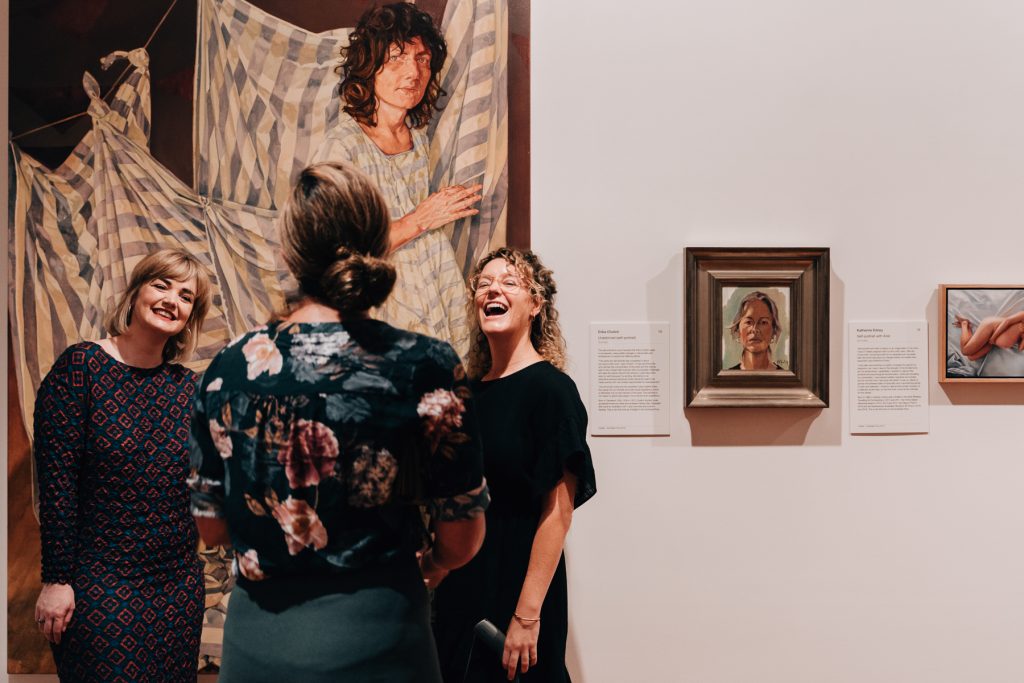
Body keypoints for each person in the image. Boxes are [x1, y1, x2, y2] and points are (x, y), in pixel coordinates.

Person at [189, 161, 489, 683]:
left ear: (289, 255)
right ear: (378, 243)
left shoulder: (227, 370)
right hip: (384, 638)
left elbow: (211, 528)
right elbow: (461, 538)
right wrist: (435, 563)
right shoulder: (424, 364)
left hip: (260, 647)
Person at [33, 248, 212, 682]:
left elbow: (203, 488)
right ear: (135, 293)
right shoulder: (81, 369)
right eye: (162, 285)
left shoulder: (190, 389)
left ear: (190, 317)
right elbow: (57, 485)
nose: (173, 299)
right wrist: (56, 579)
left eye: (186, 296)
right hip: (100, 585)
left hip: (177, 589)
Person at [432, 247, 597, 683]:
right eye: (484, 284)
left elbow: (557, 512)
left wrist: (526, 615)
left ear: (536, 305)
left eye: (509, 282)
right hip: (458, 591)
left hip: (518, 594)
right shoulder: (465, 396)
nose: (493, 289)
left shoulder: (552, 392)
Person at [311, 2, 481, 359]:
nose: (413, 72)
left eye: (422, 59)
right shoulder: (342, 146)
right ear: (369, 66)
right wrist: (421, 219)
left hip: (437, 289)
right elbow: (336, 251)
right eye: (398, 57)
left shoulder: (418, 136)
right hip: (383, 301)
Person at [726, 290, 785, 370]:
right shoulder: (726, 377)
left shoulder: (785, 377)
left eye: (763, 322)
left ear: (773, 331)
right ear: (737, 330)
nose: (754, 329)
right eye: (748, 322)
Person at [953, 311, 1024, 360]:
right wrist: (993, 338)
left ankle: (968, 328)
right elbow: (1007, 321)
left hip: (992, 343)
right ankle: (964, 323)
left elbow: (1020, 348)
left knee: (971, 357)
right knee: (965, 351)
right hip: (991, 327)